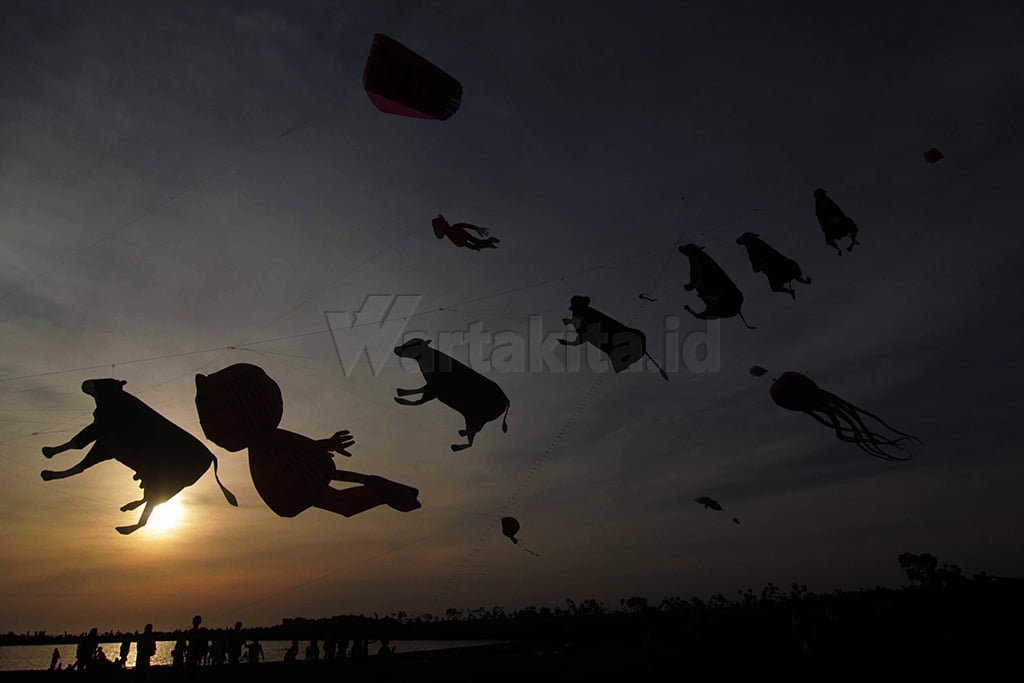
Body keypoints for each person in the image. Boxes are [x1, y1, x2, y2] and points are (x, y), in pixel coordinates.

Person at [432, 214, 500, 251]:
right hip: (461, 239)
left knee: (474, 244)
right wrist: (476, 228)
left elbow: (464, 225)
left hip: (461, 238)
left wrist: (476, 228)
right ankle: (489, 242)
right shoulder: (453, 228)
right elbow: (464, 225)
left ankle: (489, 242)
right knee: (475, 244)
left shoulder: (454, 227)